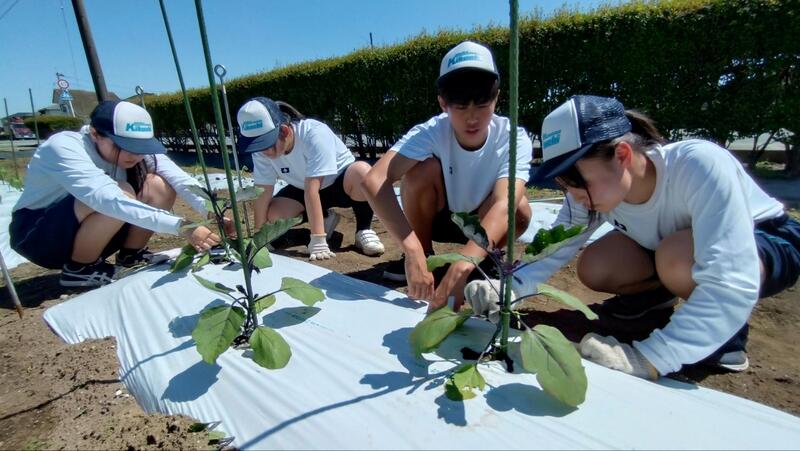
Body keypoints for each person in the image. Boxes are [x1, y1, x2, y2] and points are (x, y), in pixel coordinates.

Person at [464, 94, 800, 379]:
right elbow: (556, 245)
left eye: (576, 179)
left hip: (766, 241)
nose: (571, 192)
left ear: (622, 155)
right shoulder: (597, 189)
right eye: (562, 181)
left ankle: (726, 339)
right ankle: (651, 306)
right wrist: (506, 287)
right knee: (597, 264)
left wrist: (651, 358)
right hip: (673, 246)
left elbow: (731, 278)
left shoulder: (698, 165)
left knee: (676, 256)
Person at [361, 40, 533, 309]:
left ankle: (482, 260)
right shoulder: (433, 131)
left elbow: (504, 205)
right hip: (443, 218)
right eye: (461, 107)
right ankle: (426, 258)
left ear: (496, 98)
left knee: (519, 206)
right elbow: (374, 180)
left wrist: (463, 265)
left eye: (482, 103)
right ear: (443, 104)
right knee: (420, 172)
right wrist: (412, 250)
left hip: (483, 222)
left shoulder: (513, 137)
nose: (472, 118)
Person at [10, 100, 225, 287]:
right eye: (125, 146)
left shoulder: (136, 152)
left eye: (141, 147)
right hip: (40, 236)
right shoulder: (64, 146)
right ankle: (80, 269)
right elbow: (107, 199)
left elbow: (179, 179)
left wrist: (214, 210)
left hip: (92, 228)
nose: (135, 154)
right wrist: (182, 226)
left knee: (158, 185)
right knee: (121, 191)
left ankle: (130, 257)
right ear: (95, 134)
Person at [236, 97, 385, 260]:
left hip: (338, 184)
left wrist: (318, 239)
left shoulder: (313, 133)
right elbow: (263, 191)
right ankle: (326, 217)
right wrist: (260, 236)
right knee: (273, 215)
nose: (265, 153)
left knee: (362, 172)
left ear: (285, 131)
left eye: (268, 144)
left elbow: (312, 189)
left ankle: (363, 230)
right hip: (301, 187)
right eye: (258, 145)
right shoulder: (261, 151)